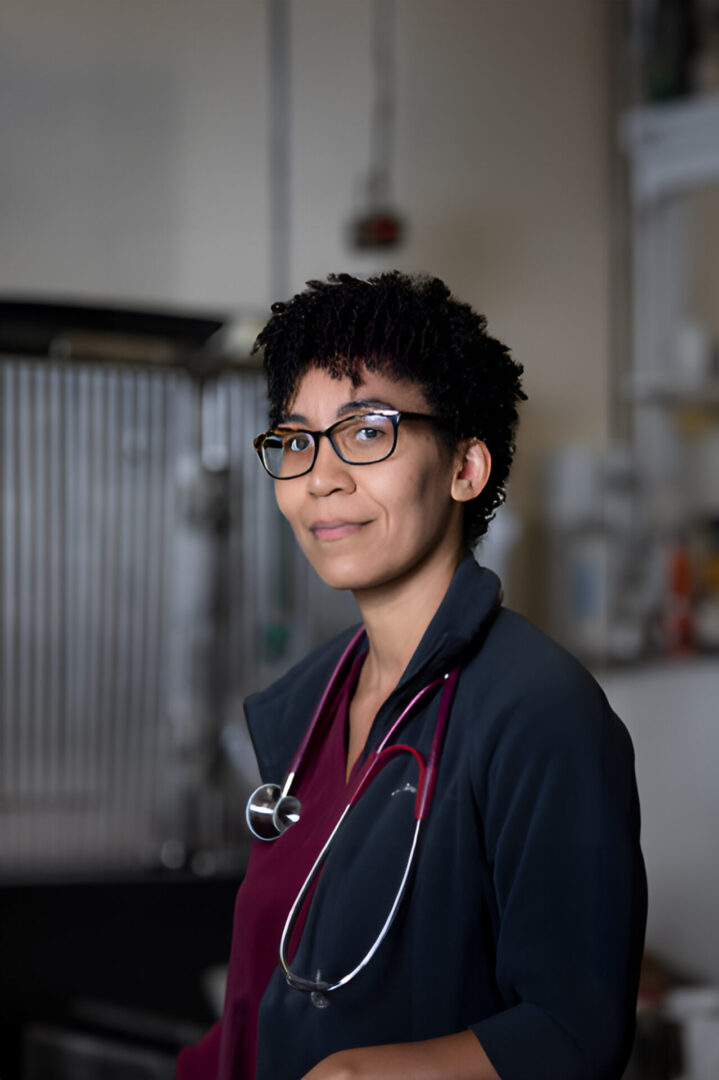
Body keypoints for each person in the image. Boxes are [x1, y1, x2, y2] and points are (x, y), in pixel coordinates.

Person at [177, 271, 647, 1080]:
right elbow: (262, 1005)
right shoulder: (305, 715)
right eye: (295, 440)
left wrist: (368, 1075)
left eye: (365, 432)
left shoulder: (539, 711)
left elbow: (575, 1031)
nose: (319, 477)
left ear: (465, 466)